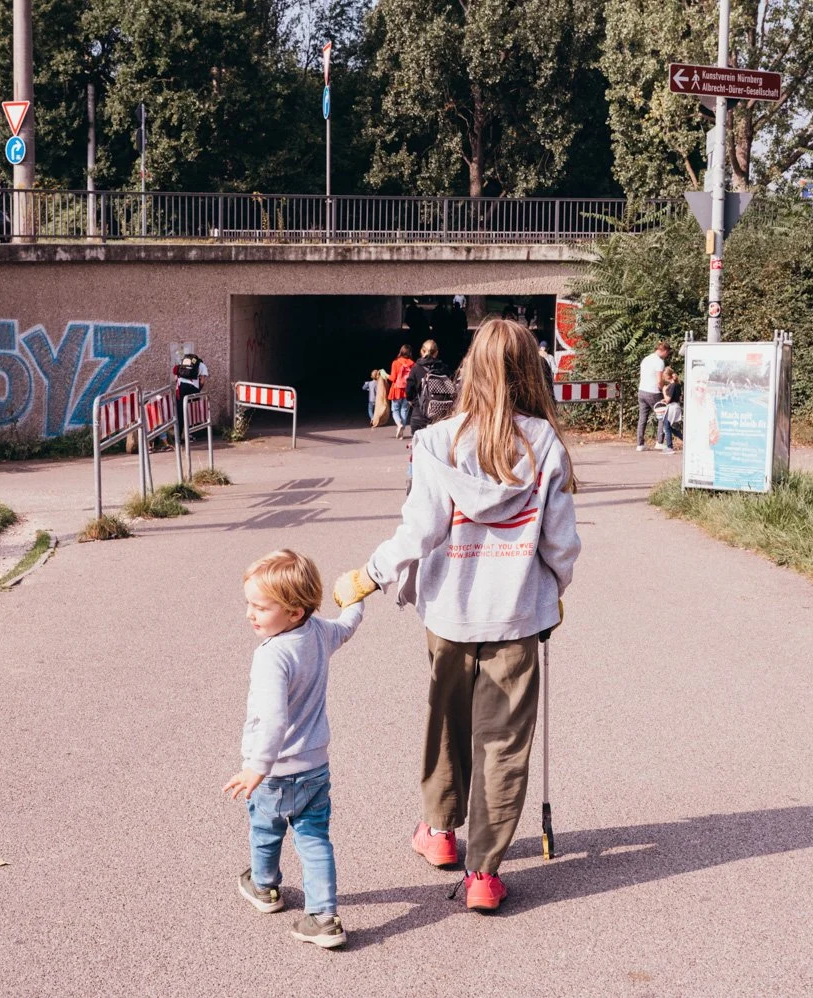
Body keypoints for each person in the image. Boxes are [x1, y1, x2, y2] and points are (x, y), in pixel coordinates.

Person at [331, 318, 582, 913]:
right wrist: (554, 589)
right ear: (530, 372)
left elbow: (420, 529)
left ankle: (440, 831)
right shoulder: (545, 445)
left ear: (471, 370)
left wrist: (371, 574)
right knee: (504, 743)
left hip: (449, 613)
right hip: (516, 615)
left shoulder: (436, 442)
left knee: (446, 722)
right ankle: (484, 876)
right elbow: (560, 542)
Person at [225, 549, 364, 950]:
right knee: (314, 839)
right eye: (249, 604)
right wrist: (355, 597)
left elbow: (273, 720)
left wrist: (257, 766)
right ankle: (323, 917)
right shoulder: (319, 632)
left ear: (294, 612)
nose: (250, 614)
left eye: (260, 607)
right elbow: (347, 626)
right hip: (315, 768)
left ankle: (265, 887)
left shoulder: (272, 656)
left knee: (265, 830)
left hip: (275, 772)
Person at [404, 339, 455, 437]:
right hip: (440, 415)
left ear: (421, 351)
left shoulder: (416, 368)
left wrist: (413, 401)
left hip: (420, 414)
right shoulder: (444, 368)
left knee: (418, 444)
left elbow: (409, 390)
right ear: (436, 352)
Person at [635, 340, 672, 451]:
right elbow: (659, 380)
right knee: (663, 415)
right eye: (667, 353)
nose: (667, 356)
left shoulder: (646, 359)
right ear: (664, 351)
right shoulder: (659, 362)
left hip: (642, 391)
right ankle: (659, 442)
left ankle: (640, 444)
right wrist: (663, 389)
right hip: (653, 392)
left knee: (642, 418)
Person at [389, 344, 416, 439]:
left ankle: (399, 424)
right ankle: (401, 432)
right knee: (404, 410)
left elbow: (393, 378)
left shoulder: (395, 363)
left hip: (396, 389)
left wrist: (385, 375)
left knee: (395, 410)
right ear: (410, 353)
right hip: (407, 390)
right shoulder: (413, 364)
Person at [658, 367, 683, 453]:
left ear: (667, 376)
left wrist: (664, 391)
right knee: (669, 427)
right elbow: (677, 397)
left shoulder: (672, 386)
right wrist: (665, 400)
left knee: (666, 425)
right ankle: (685, 440)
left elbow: (668, 399)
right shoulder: (677, 384)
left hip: (672, 407)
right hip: (675, 406)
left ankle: (669, 447)